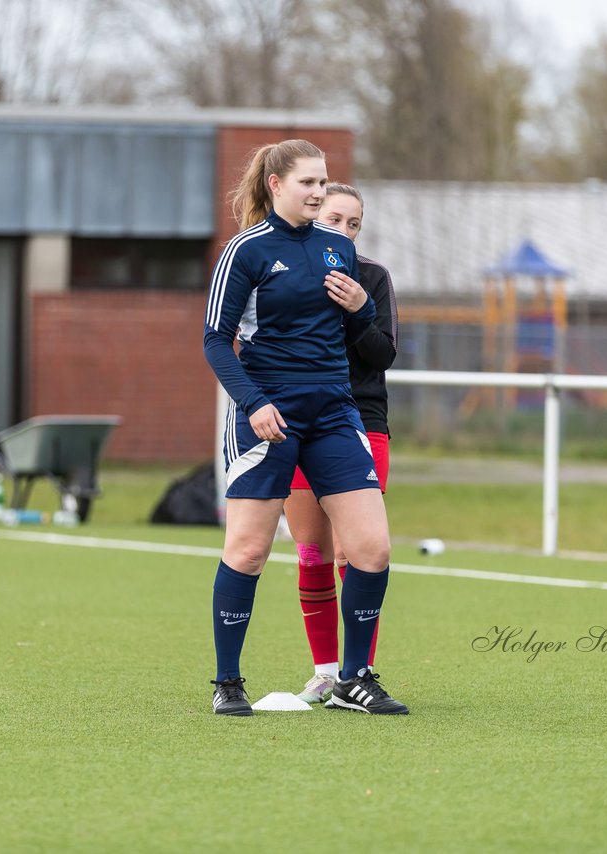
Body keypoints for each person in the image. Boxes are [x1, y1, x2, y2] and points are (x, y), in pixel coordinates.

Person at [203, 139, 408, 715]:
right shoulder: (244, 251)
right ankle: (227, 683)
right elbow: (216, 340)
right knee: (248, 551)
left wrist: (363, 305)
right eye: (308, 183)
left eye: (324, 182)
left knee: (371, 548)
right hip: (267, 417)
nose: (319, 192)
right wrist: (253, 403)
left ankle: (354, 678)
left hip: (336, 416)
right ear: (275, 184)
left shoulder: (336, 249)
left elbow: (363, 335)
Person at [283, 183, 399, 704]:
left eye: (354, 223)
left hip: (361, 423)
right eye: (335, 219)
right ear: (311, 216)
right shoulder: (280, 271)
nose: (345, 231)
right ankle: (326, 672)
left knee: (361, 553)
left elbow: (383, 355)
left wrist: (359, 309)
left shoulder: (372, 278)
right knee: (312, 552)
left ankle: (359, 673)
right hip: (301, 424)